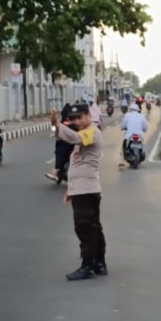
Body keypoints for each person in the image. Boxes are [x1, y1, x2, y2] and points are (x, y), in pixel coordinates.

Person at [51, 104, 107, 281]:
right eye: (73, 119)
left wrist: (57, 125)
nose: (76, 121)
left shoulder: (91, 132)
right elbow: (77, 165)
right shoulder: (85, 133)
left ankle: (88, 266)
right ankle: (99, 263)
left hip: (87, 190)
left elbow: (75, 138)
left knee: (85, 228)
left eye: (79, 117)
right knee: (93, 227)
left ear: (88, 115)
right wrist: (71, 189)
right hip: (83, 189)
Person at [46, 107, 78, 182]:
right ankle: (56, 171)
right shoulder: (63, 122)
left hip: (71, 144)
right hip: (62, 142)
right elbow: (57, 128)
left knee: (62, 151)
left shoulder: (75, 124)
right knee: (59, 150)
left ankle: (56, 171)